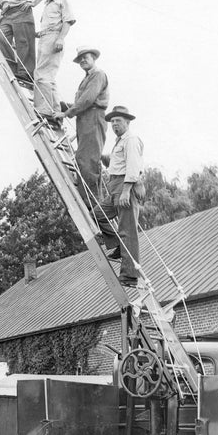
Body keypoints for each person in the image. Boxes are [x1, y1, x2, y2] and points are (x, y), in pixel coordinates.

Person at [95, 105, 145, 287]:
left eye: (118, 121)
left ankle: (129, 276)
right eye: (112, 121)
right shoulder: (120, 141)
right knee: (98, 214)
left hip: (125, 186)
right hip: (115, 185)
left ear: (127, 122)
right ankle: (116, 243)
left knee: (128, 231)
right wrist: (103, 158)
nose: (114, 124)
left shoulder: (131, 139)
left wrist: (126, 190)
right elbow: (118, 161)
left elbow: (133, 165)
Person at [54, 46, 109, 205]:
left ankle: (92, 205)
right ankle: (90, 201)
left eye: (86, 57)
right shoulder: (87, 78)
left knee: (88, 160)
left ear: (94, 59)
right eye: (80, 59)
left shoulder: (98, 75)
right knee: (83, 159)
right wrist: (64, 106)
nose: (83, 60)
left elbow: (87, 100)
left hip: (93, 117)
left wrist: (66, 113)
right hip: (85, 118)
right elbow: (83, 101)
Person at [33, 0, 75, 119]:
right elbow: (51, 24)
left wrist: (61, 39)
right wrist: (40, 34)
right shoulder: (47, 4)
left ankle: (44, 109)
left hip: (53, 39)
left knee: (41, 74)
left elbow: (67, 21)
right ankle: (55, 108)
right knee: (48, 76)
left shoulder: (61, 1)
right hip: (45, 38)